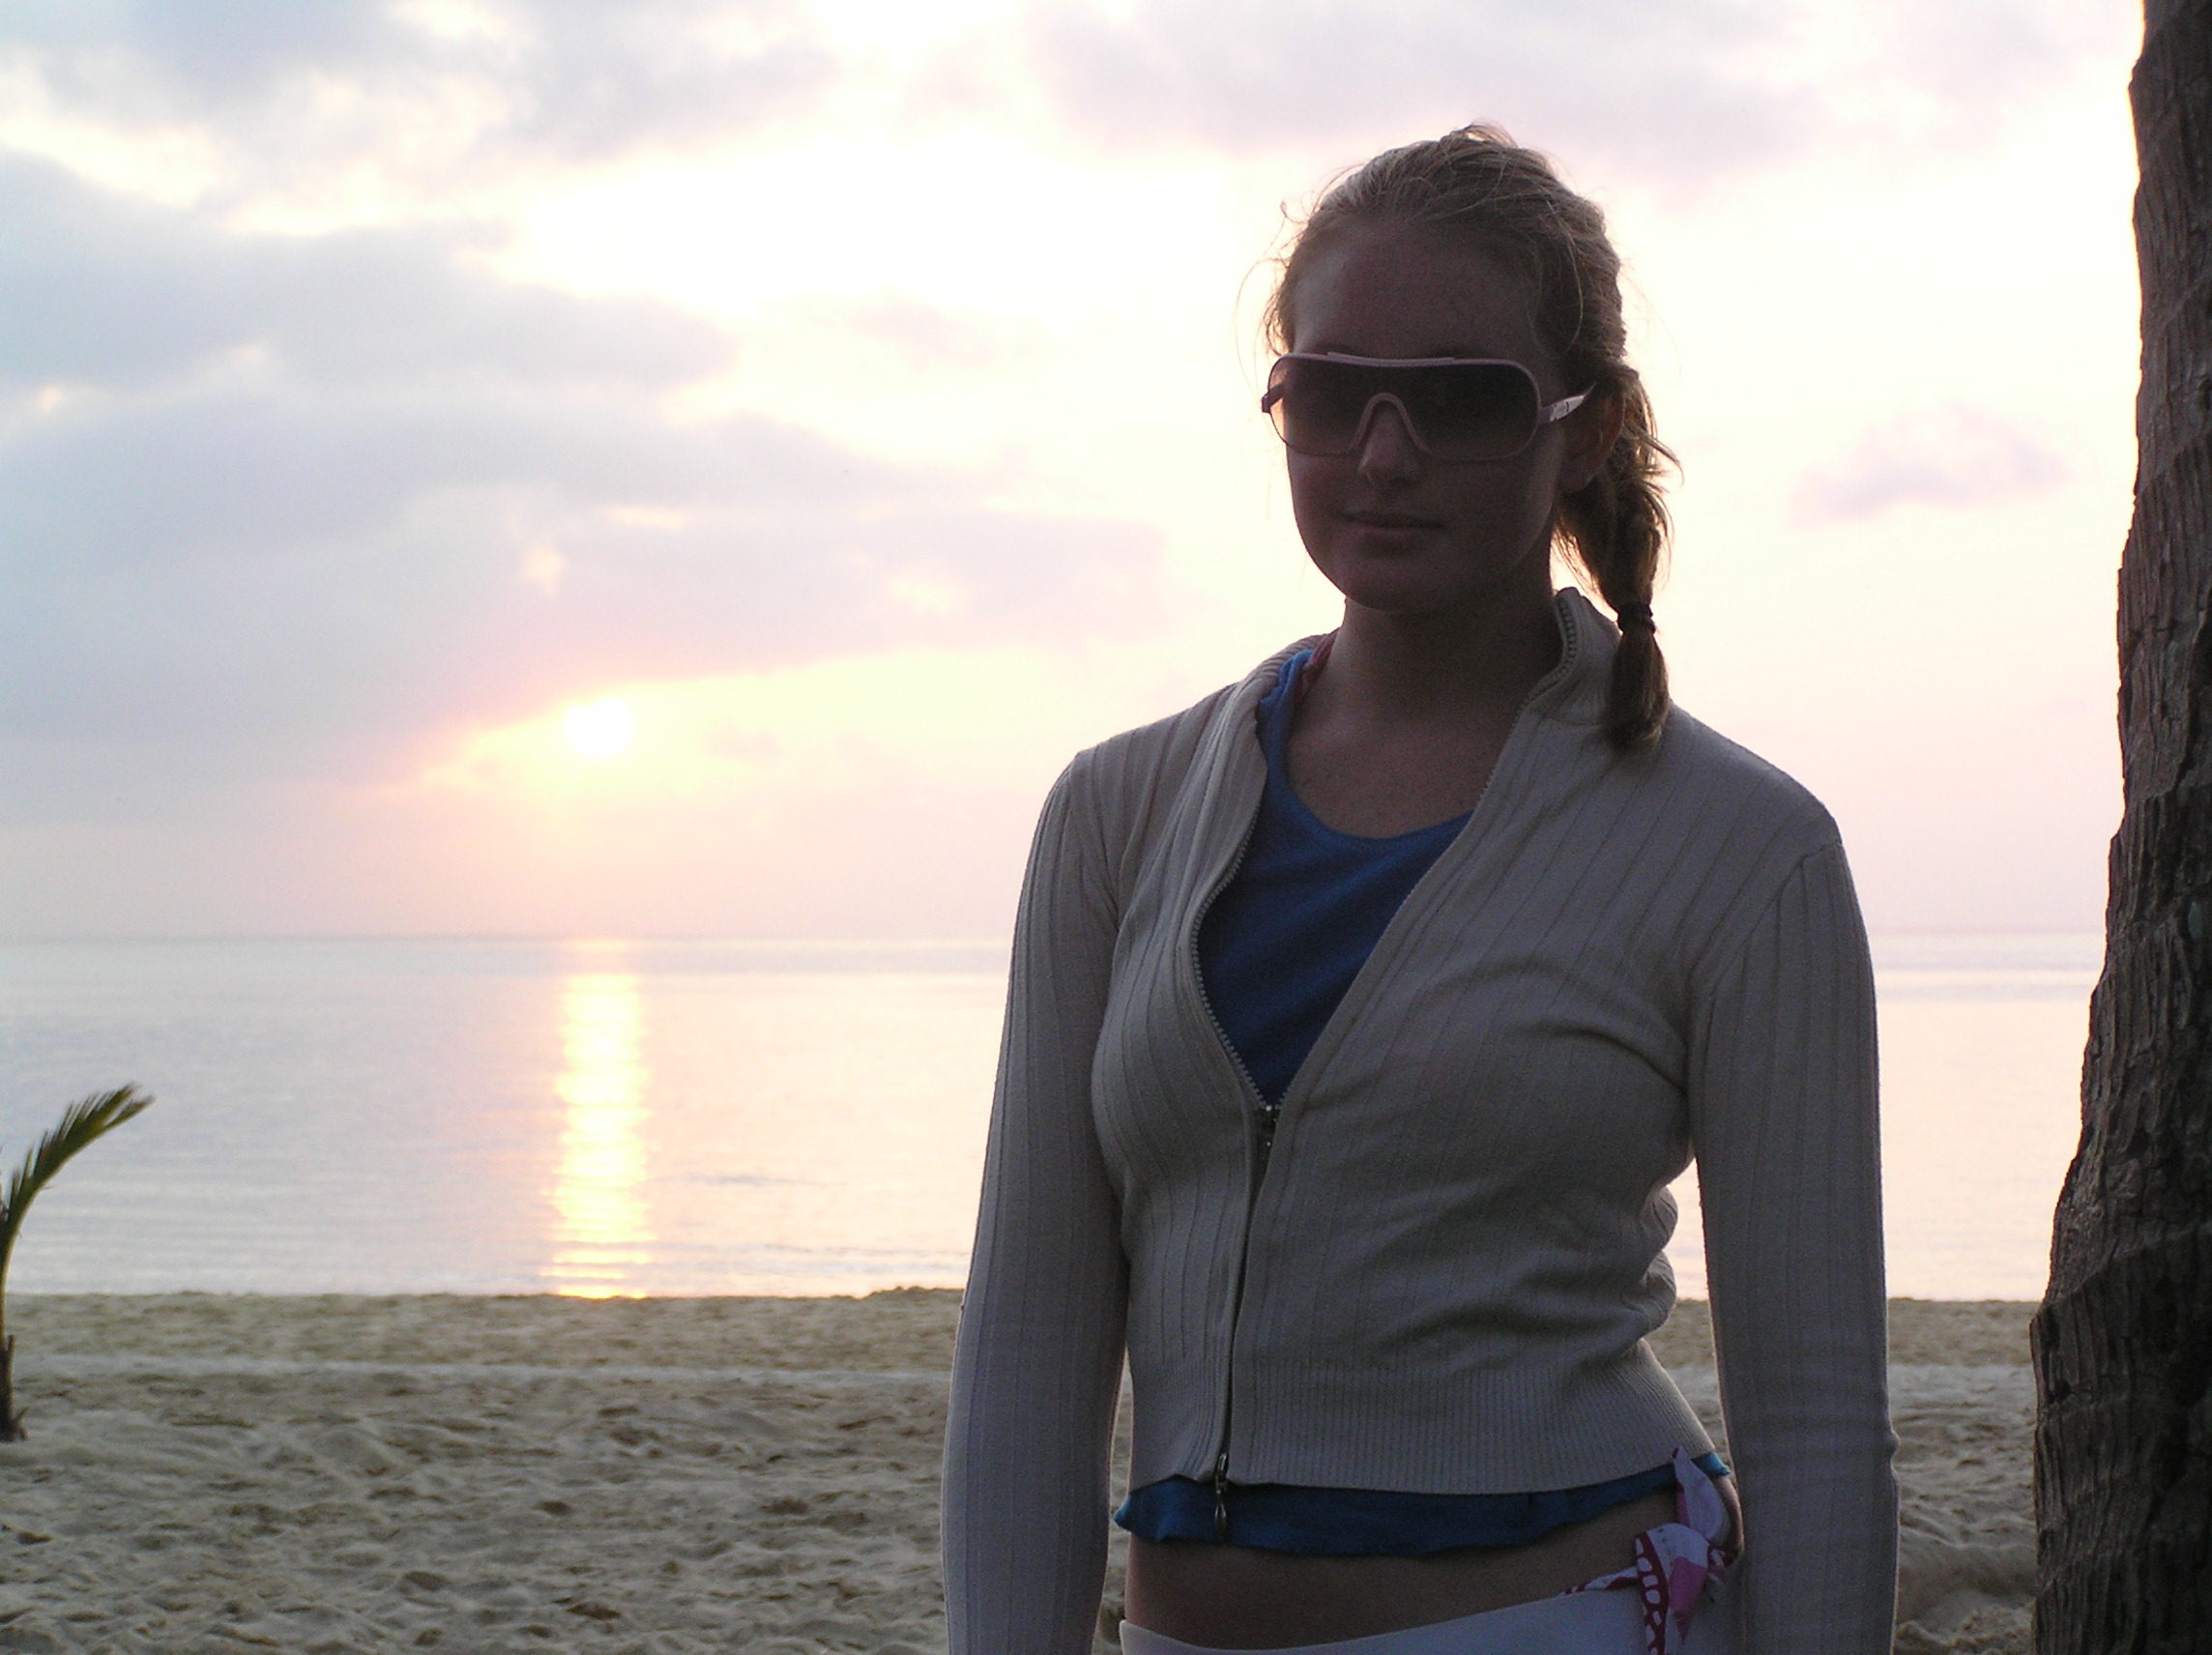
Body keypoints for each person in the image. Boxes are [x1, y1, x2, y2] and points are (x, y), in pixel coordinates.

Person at [943, 126, 1897, 1655]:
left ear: (1584, 431)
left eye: (1461, 399)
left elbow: (1823, 1423)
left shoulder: (1742, 848)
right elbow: (1025, 1369)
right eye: (1333, 394)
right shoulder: (1115, 817)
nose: (1384, 456)